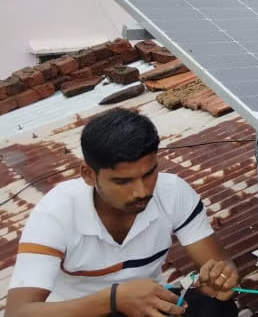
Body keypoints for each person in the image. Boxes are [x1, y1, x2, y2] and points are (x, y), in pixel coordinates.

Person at [6, 108, 241, 317]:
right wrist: (114, 299)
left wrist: (221, 278)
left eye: (149, 174)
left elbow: (219, 263)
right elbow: (18, 312)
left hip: (148, 305)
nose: (141, 191)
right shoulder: (55, 214)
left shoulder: (173, 192)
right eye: (122, 181)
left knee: (218, 307)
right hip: (81, 311)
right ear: (89, 175)